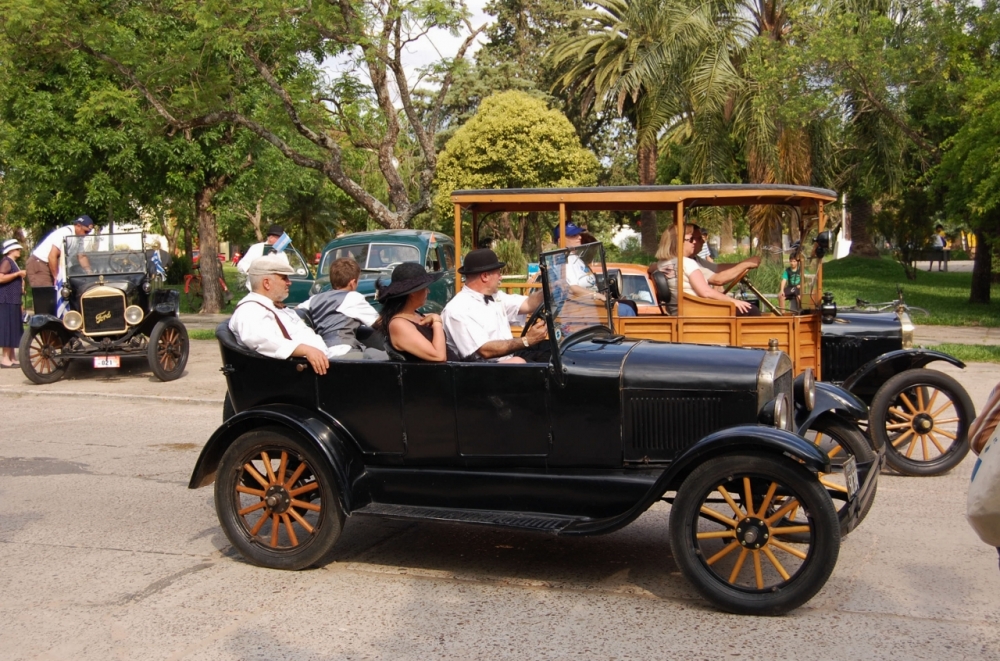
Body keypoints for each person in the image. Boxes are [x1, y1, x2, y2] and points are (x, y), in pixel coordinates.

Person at [229, 253, 350, 374]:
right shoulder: (250, 310)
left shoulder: (270, 305)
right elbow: (262, 340)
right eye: (284, 278)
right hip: (305, 371)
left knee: (367, 354)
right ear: (266, 283)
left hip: (323, 360)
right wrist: (307, 350)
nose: (289, 282)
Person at [442, 248, 547, 363]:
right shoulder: (458, 310)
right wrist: (527, 340)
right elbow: (485, 350)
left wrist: (551, 287)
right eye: (498, 273)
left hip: (507, 356)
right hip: (484, 370)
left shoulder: (496, 296)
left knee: (554, 353)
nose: (500, 277)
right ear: (485, 276)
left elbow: (528, 304)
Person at [648, 224, 759, 315]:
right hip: (697, 311)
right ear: (677, 242)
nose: (696, 242)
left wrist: (744, 265)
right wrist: (733, 301)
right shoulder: (687, 263)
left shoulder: (660, 265)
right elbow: (705, 292)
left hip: (682, 311)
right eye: (690, 239)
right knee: (751, 310)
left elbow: (651, 268)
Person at [299, 257, 383, 359]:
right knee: (386, 357)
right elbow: (379, 323)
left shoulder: (313, 299)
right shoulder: (352, 297)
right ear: (352, 283)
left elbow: (296, 311)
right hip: (345, 351)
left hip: (322, 353)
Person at [376, 262, 457, 362]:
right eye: (424, 288)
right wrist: (437, 322)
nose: (428, 291)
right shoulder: (399, 324)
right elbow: (438, 356)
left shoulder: (415, 315)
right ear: (413, 292)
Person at [554, 223, 635, 316]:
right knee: (627, 310)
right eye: (573, 235)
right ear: (561, 240)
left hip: (591, 305)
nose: (579, 237)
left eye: (578, 234)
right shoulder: (564, 260)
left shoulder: (576, 258)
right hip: (581, 309)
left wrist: (603, 295)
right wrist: (596, 295)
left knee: (629, 304)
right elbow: (573, 288)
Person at [25, 215, 95, 316]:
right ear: (78, 226)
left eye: (89, 232)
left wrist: (90, 273)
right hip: (40, 264)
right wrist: (57, 278)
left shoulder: (79, 237)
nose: (86, 235)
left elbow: (81, 256)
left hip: (53, 265)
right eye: (85, 231)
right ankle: (47, 329)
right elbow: (52, 256)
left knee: (64, 294)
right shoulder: (65, 233)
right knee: (47, 300)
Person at [0, 239, 27, 368]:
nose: (19, 251)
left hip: (14, 299)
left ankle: (11, 357)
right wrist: (18, 274)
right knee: (7, 327)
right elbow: (1, 277)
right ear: (11, 250)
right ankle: (5, 358)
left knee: (13, 327)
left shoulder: (12, 262)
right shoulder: (6, 261)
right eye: (17, 249)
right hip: (7, 300)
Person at [237, 223, 285, 289]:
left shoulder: (282, 253)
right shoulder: (256, 248)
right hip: (255, 289)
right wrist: (253, 270)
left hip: (274, 290)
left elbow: (286, 269)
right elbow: (241, 265)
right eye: (279, 239)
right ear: (271, 238)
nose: (282, 241)